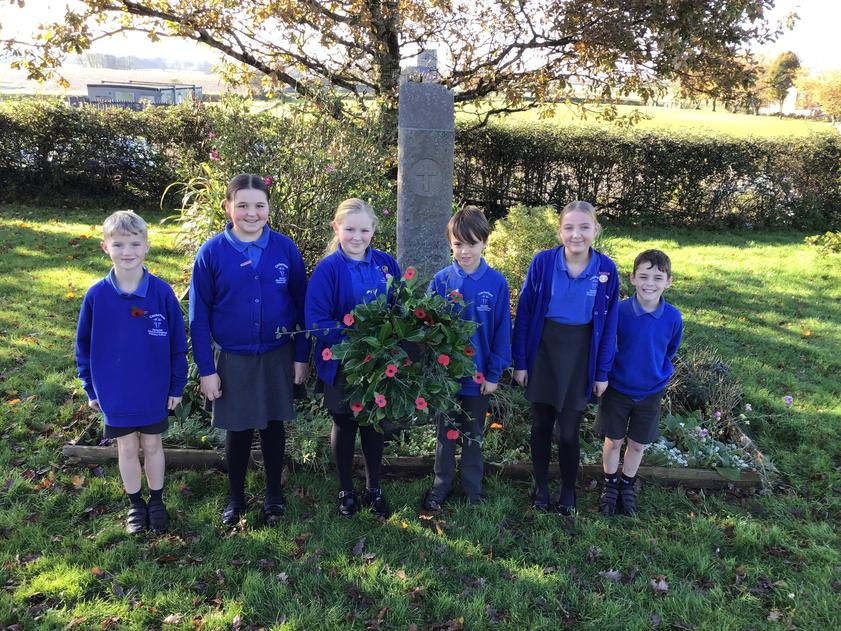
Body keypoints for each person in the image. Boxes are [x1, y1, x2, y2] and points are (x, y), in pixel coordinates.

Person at [189, 173, 309, 527]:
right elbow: (198, 318)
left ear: (269, 208)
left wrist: (301, 356)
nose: (251, 213)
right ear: (227, 208)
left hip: (277, 354)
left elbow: (302, 307)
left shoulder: (285, 249)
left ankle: (274, 495)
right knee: (238, 431)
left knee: (274, 428)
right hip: (233, 357)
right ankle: (236, 498)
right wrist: (207, 370)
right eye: (242, 205)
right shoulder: (212, 253)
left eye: (259, 205)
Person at [76, 210, 187, 534]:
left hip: (153, 387)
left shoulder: (161, 293)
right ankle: (135, 505)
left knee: (152, 445)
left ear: (147, 246)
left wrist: (176, 385)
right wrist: (91, 388)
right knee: (126, 447)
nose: (128, 252)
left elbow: (178, 344)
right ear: (105, 247)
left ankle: (156, 500)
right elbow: (83, 346)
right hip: (115, 390)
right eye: (120, 244)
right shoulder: (97, 296)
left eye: (135, 244)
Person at [512, 200, 619, 514]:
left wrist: (602, 371)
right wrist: (520, 361)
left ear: (595, 231)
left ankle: (568, 490)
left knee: (569, 430)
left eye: (584, 227)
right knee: (541, 425)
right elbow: (526, 312)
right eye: (569, 227)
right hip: (544, 350)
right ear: (559, 231)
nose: (577, 234)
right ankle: (542, 487)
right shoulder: (544, 263)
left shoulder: (605, 269)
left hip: (580, 354)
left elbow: (610, 322)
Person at [305, 198, 400, 518]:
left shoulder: (386, 264)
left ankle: (374, 488)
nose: (357, 237)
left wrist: (395, 338)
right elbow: (316, 319)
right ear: (337, 228)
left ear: (374, 229)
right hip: (344, 361)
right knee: (344, 422)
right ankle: (346, 489)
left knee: (374, 423)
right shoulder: (328, 270)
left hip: (377, 362)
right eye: (349, 229)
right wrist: (354, 342)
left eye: (364, 230)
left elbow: (399, 306)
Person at [422, 206, 511, 511]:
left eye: (472, 243)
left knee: (473, 435)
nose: (465, 251)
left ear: (485, 242)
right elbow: (427, 327)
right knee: (446, 435)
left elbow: (502, 332)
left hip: (478, 379)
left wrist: (494, 373)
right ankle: (441, 485)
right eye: (458, 244)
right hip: (446, 380)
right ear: (450, 244)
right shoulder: (441, 281)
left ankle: (473, 489)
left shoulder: (496, 284)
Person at [595, 249, 683, 516]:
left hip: (650, 391)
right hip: (618, 388)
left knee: (637, 444)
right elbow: (607, 346)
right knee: (614, 441)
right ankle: (610, 485)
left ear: (668, 282)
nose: (649, 283)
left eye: (657, 278)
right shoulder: (619, 312)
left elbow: (670, 350)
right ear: (632, 278)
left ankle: (627, 484)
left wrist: (656, 373)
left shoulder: (672, 317)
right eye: (643, 276)